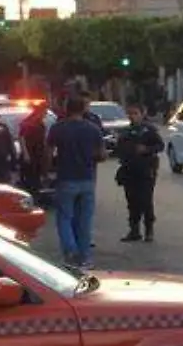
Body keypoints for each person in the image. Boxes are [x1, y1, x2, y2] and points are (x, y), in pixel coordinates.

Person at [48, 96, 105, 269]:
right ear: (83, 109)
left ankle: (70, 252)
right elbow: (102, 155)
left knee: (65, 217)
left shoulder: (58, 128)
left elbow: (48, 151)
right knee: (84, 220)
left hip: (66, 177)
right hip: (87, 178)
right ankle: (85, 257)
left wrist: (47, 171)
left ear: (67, 109)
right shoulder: (93, 129)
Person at [114, 103, 163, 242]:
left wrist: (146, 149)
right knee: (132, 201)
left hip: (146, 170)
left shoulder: (149, 130)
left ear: (142, 113)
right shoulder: (126, 131)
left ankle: (149, 230)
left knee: (146, 200)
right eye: (130, 113)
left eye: (135, 113)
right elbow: (119, 148)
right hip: (129, 170)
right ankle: (134, 230)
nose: (132, 116)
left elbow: (160, 145)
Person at [17, 102, 49, 193]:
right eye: (45, 112)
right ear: (40, 111)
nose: (45, 114)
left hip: (38, 153)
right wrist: (26, 153)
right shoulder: (29, 122)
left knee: (37, 177)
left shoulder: (40, 123)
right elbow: (21, 137)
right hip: (31, 154)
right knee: (30, 178)